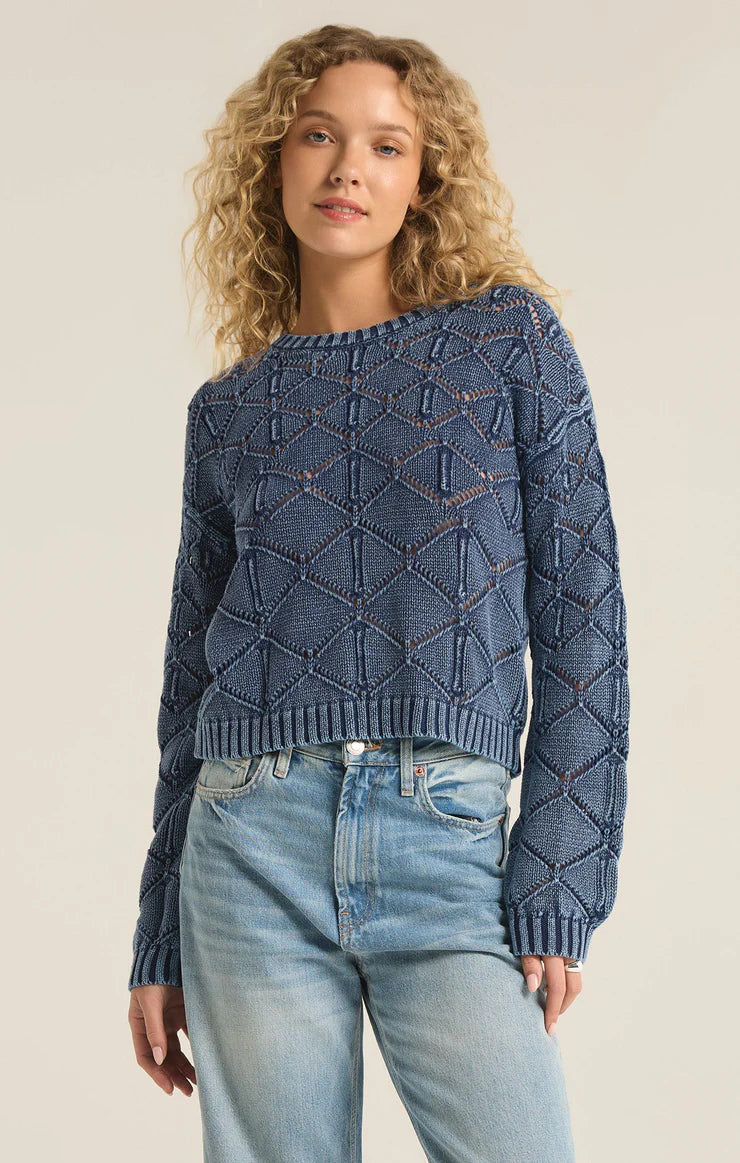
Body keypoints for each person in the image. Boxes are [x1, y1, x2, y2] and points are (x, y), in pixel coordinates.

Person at [127, 24, 630, 1163]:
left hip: (444, 839)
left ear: (423, 182)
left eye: (386, 145)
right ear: (273, 162)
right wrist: (157, 929)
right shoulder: (230, 412)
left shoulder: (509, 346)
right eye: (318, 136)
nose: (347, 167)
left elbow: (584, 617)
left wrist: (560, 868)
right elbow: (188, 680)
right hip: (246, 842)